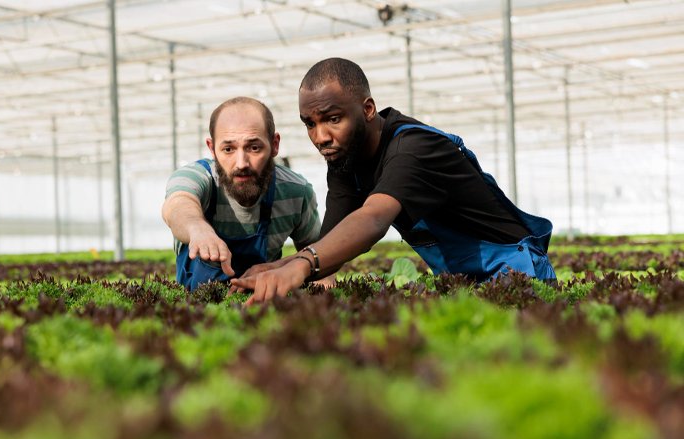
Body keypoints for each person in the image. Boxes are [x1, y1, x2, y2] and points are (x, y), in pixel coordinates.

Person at [231, 57, 556, 303]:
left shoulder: (412, 150)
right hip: (463, 281)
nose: (321, 137)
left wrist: (301, 264)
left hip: (516, 273)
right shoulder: (346, 160)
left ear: (368, 109)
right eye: (310, 124)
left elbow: (373, 219)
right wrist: (280, 267)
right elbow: (329, 248)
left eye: (333, 119)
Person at [162, 96, 322, 291]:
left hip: (264, 312)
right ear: (212, 149)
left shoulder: (296, 193)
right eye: (228, 149)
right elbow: (178, 205)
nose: (241, 164)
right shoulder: (197, 177)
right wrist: (198, 229)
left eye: (254, 148)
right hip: (199, 313)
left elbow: (319, 257)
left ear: (275, 144)